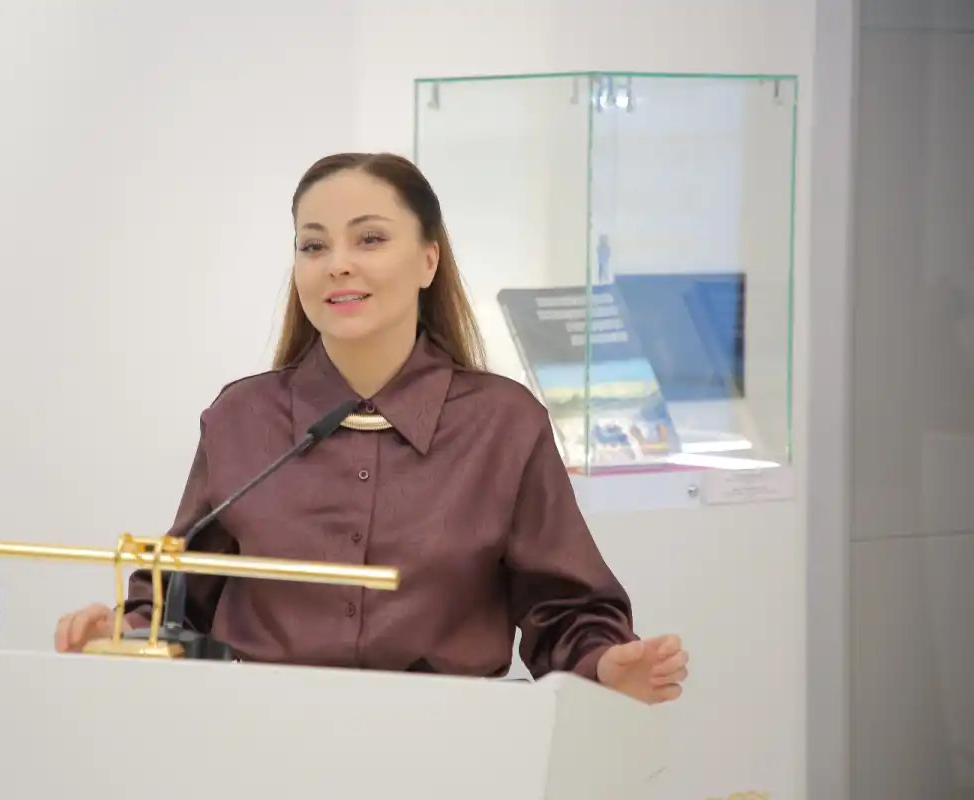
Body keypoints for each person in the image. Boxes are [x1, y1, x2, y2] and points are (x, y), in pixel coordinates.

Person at [54, 152, 688, 704]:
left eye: (370, 239)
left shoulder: (503, 423)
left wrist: (605, 664)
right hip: (262, 740)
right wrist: (122, 633)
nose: (338, 264)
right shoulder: (240, 418)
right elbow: (177, 596)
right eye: (314, 245)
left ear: (428, 260)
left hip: (449, 749)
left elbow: (566, 608)